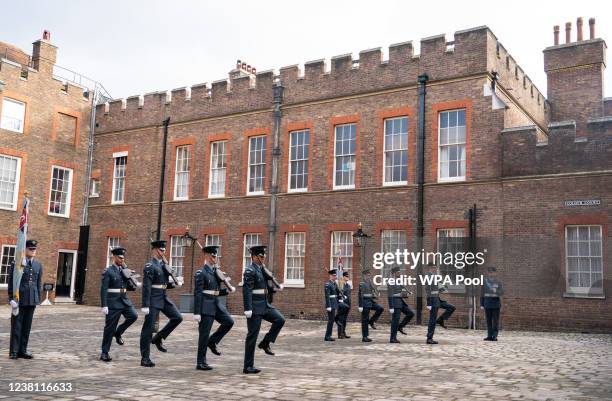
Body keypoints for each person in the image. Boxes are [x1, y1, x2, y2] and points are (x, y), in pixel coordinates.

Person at [139, 240, 183, 367]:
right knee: (148, 329)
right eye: (161, 250)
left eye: (164, 250)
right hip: (153, 299)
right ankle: (145, 358)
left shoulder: (164, 265)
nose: (163, 252)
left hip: (163, 297)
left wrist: (172, 284)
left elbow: (162, 284)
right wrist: (145, 305)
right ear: (155, 250)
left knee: (177, 317)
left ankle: (158, 337)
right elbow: (147, 286)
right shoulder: (150, 266)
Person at [242, 245, 285, 374]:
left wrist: (274, 289)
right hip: (255, 307)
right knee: (252, 336)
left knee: (280, 320)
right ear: (254, 257)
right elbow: (247, 291)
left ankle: (265, 342)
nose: (263, 259)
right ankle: (248, 366)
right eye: (261, 257)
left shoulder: (261, 269)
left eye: (264, 256)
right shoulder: (250, 271)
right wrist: (247, 308)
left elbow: (265, 287)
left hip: (265, 305)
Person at [193, 245, 235, 370]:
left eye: (215, 256)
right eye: (212, 256)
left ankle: (213, 341)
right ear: (206, 256)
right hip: (206, 306)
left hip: (216, 304)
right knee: (204, 334)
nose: (214, 258)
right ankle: (201, 362)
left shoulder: (215, 272)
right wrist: (197, 312)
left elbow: (215, 291)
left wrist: (226, 290)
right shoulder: (201, 273)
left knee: (228, 322)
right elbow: (198, 293)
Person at [99, 247, 138, 362]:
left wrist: (133, 279)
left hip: (124, 300)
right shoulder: (108, 271)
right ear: (114, 257)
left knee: (133, 316)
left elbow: (129, 287)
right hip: (113, 302)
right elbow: (104, 289)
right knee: (109, 328)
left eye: (123, 258)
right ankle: (104, 352)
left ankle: (118, 332)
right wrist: (104, 305)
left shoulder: (125, 270)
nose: (122, 260)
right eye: (120, 258)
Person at [7, 239, 42, 359]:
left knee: (27, 326)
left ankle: (23, 350)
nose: (33, 251)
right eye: (31, 249)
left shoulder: (38, 265)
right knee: (16, 326)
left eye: (34, 249)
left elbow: (38, 283)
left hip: (32, 299)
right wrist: (11, 298)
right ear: (25, 249)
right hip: (19, 298)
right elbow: (12, 280)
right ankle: (14, 351)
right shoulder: (17, 262)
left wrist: (38, 298)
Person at [387, 266, 414, 343]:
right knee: (395, 320)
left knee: (410, 314)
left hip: (401, 302)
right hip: (395, 304)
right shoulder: (391, 281)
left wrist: (408, 293)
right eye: (398, 272)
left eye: (399, 272)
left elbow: (402, 289)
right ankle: (392, 338)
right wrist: (391, 306)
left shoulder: (398, 280)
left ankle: (400, 326)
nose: (399, 273)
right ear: (394, 273)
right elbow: (390, 294)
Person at [358, 269, 383, 342]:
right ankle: (365, 337)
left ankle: (371, 321)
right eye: (367, 275)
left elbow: (373, 290)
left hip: (371, 301)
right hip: (365, 303)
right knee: (365, 320)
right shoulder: (362, 284)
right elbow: (360, 295)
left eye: (369, 275)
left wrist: (375, 294)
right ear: (364, 276)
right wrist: (360, 305)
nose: (369, 277)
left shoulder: (370, 282)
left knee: (380, 308)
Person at [481, 266, 503, 341]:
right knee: (488, 321)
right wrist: (481, 304)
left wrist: (495, 291)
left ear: (495, 273)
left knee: (495, 321)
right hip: (487, 304)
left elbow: (501, 292)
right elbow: (482, 293)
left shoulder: (498, 282)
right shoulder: (485, 282)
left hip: (496, 304)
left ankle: (495, 336)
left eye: (492, 272)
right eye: (489, 272)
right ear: (488, 273)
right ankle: (489, 336)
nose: (491, 274)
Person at [324, 269, 341, 341]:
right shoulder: (328, 284)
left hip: (334, 303)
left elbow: (337, 292)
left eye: (335, 275)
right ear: (330, 276)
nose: (335, 277)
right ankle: (327, 336)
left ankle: (329, 335)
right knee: (331, 320)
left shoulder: (334, 283)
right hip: (330, 304)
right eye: (334, 276)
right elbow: (327, 296)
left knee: (332, 319)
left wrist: (340, 297)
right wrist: (328, 306)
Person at [336, 271, 351, 339]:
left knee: (345, 319)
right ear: (343, 277)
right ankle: (340, 334)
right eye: (346, 276)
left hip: (347, 304)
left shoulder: (348, 285)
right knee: (341, 319)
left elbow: (348, 295)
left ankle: (344, 333)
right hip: (342, 304)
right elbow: (338, 294)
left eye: (348, 276)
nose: (348, 277)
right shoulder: (340, 284)